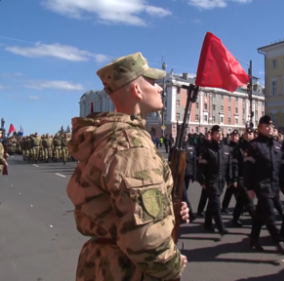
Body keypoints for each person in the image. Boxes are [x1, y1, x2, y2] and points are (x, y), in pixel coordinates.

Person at [66, 52, 189, 281]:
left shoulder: (106, 136)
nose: (160, 88)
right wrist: (172, 267)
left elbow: (105, 207)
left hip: (102, 264)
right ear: (137, 90)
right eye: (153, 82)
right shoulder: (132, 146)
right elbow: (145, 238)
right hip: (127, 269)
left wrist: (168, 211)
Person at [244, 116, 284, 254]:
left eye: (271, 126)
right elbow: (247, 169)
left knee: (259, 214)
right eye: (266, 126)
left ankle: (254, 238)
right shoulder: (254, 145)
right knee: (270, 214)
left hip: (273, 186)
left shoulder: (276, 145)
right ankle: (278, 241)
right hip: (261, 185)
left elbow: (280, 168)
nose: (269, 128)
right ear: (260, 128)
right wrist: (249, 187)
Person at [197, 125, 232, 235]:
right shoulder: (207, 149)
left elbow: (228, 165)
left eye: (220, 133)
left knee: (212, 204)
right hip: (211, 181)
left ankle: (207, 224)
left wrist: (229, 179)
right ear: (212, 135)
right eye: (216, 133)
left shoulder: (226, 149)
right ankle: (221, 227)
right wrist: (202, 181)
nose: (219, 135)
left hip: (221, 182)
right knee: (216, 204)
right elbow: (201, 167)